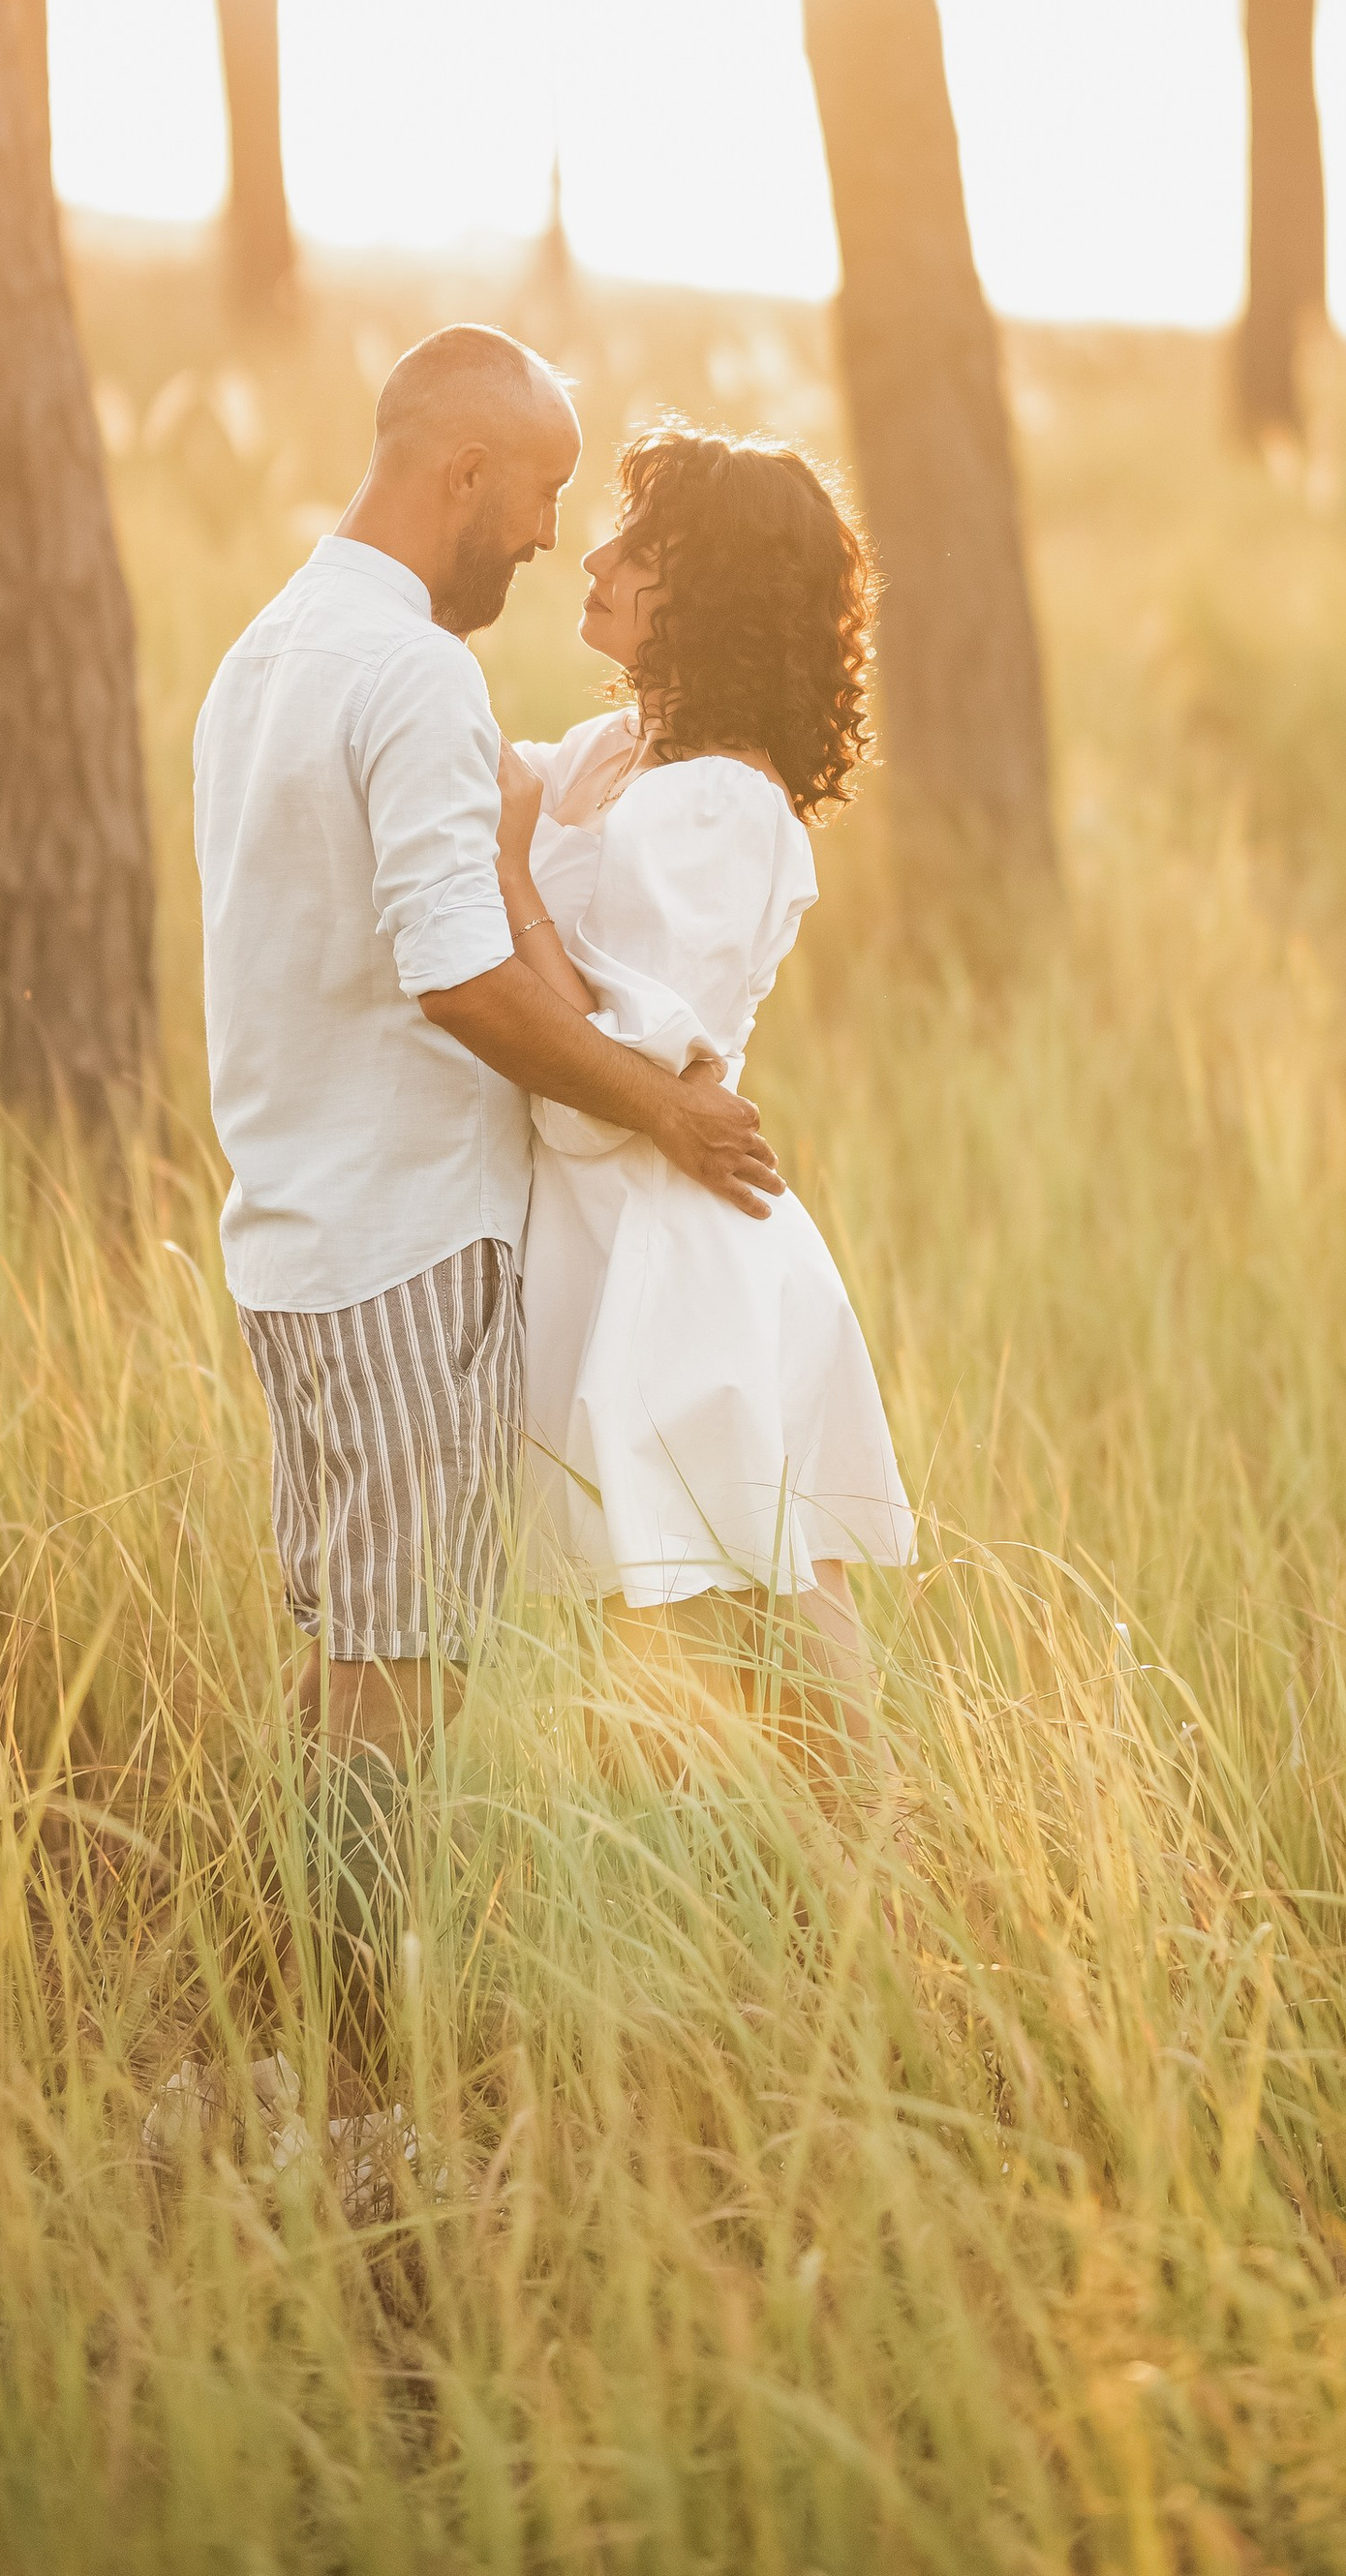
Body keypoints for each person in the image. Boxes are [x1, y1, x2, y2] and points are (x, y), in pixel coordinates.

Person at [190, 329, 783, 1792]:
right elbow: (459, 980)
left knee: (354, 1649)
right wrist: (670, 1111)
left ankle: (300, 2004)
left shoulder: (262, 652)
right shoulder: (414, 674)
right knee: (407, 1677)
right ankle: (355, 2020)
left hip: (289, 1235)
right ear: (462, 473)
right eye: (538, 494)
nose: (548, 538)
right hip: (405, 1241)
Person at [497, 421, 917, 1789]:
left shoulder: (728, 807)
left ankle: (887, 1930)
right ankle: (784, 1931)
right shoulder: (613, 754)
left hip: (674, 1242)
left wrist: (504, 868)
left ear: (716, 599)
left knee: (777, 1629)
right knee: (668, 1647)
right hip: (592, 1231)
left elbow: (609, 1062)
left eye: (645, 550)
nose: (596, 556)